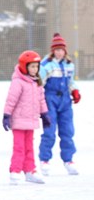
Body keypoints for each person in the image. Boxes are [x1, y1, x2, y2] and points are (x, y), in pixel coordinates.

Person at [2, 51, 50, 185]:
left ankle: (30, 170)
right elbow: (11, 100)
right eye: (32, 66)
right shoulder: (18, 82)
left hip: (31, 120)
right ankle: (15, 171)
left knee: (30, 147)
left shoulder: (36, 82)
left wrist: (45, 114)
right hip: (18, 121)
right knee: (19, 147)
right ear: (25, 66)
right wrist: (7, 115)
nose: (35, 69)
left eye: (37, 66)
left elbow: (41, 100)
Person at [38, 33, 81, 176]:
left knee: (67, 131)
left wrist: (74, 91)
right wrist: (38, 100)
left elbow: (70, 82)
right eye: (56, 49)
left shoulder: (69, 65)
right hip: (50, 100)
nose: (59, 52)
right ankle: (44, 160)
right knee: (49, 132)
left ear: (65, 51)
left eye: (61, 49)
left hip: (65, 102)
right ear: (52, 50)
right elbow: (39, 83)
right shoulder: (46, 65)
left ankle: (68, 160)